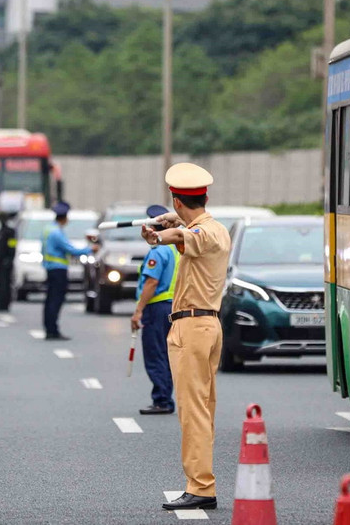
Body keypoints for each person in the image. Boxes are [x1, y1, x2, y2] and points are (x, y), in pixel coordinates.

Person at [140, 163, 231, 512]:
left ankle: (201, 487)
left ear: (178, 202)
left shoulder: (198, 234)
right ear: (204, 197)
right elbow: (187, 232)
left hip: (192, 328)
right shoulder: (217, 229)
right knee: (203, 409)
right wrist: (176, 223)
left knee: (192, 412)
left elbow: (182, 238)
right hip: (208, 326)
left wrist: (157, 236)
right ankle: (202, 482)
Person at [132, 204, 180, 416]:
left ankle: (162, 399)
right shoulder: (174, 248)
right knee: (167, 355)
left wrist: (138, 311)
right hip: (173, 307)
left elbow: (151, 282)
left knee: (155, 355)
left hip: (156, 307)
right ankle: (166, 397)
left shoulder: (158, 250)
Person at [42, 201, 98, 341]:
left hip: (50, 268)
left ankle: (50, 328)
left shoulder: (48, 229)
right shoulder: (57, 233)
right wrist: (90, 249)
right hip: (58, 270)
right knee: (56, 300)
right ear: (64, 217)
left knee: (50, 300)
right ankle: (52, 330)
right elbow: (71, 250)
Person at [0, 211, 18, 313]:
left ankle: (5, 305)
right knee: (0, 284)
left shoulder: (9, 232)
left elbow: (12, 246)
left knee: (5, 285)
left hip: (6, 262)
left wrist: (9, 259)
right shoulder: (1, 231)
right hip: (0, 262)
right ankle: (1, 304)